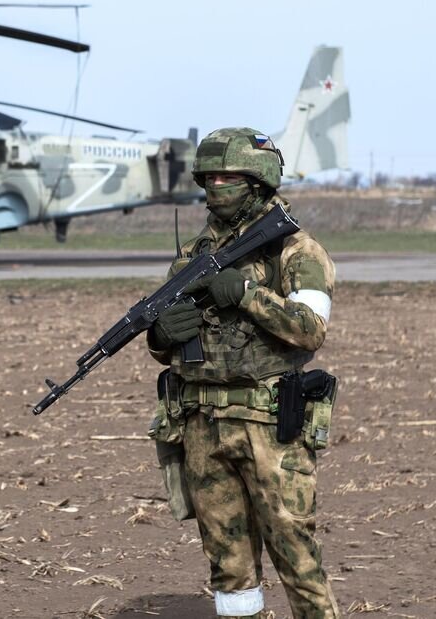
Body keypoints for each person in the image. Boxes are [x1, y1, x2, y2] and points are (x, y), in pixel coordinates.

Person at [146, 127, 341, 618]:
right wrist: (162, 335)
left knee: (296, 555)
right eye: (209, 177)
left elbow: (311, 329)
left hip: (270, 427)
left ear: (258, 181)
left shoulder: (296, 250)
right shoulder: (192, 258)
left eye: (229, 176)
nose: (216, 186)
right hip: (202, 427)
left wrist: (247, 295)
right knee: (228, 568)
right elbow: (163, 346)